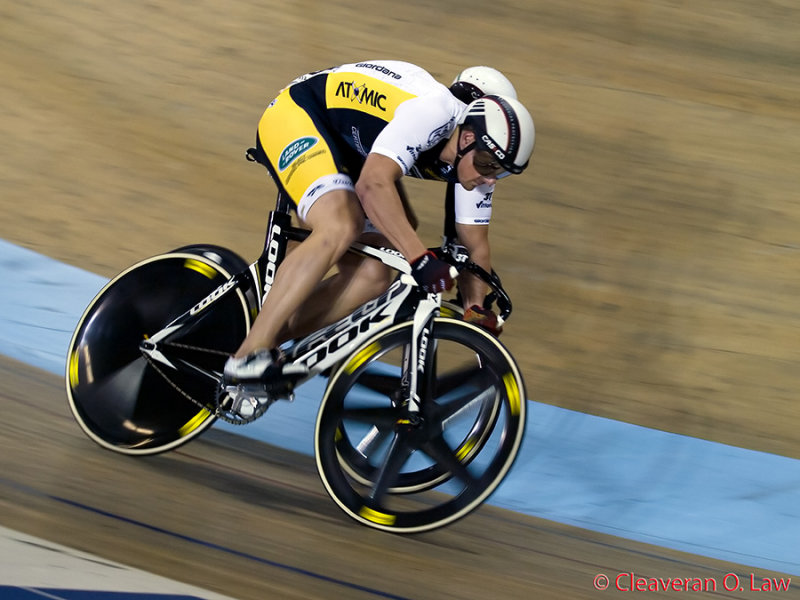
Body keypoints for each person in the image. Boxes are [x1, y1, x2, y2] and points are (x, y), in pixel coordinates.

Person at [223, 60, 535, 408]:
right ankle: (247, 359)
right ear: (470, 131)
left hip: (344, 145)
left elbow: (474, 244)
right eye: (489, 165)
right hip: (298, 114)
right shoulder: (434, 110)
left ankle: (257, 340)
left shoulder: (477, 161)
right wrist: (419, 259)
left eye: (500, 171)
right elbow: (373, 185)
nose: (490, 178)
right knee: (342, 224)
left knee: (376, 273)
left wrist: (475, 308)